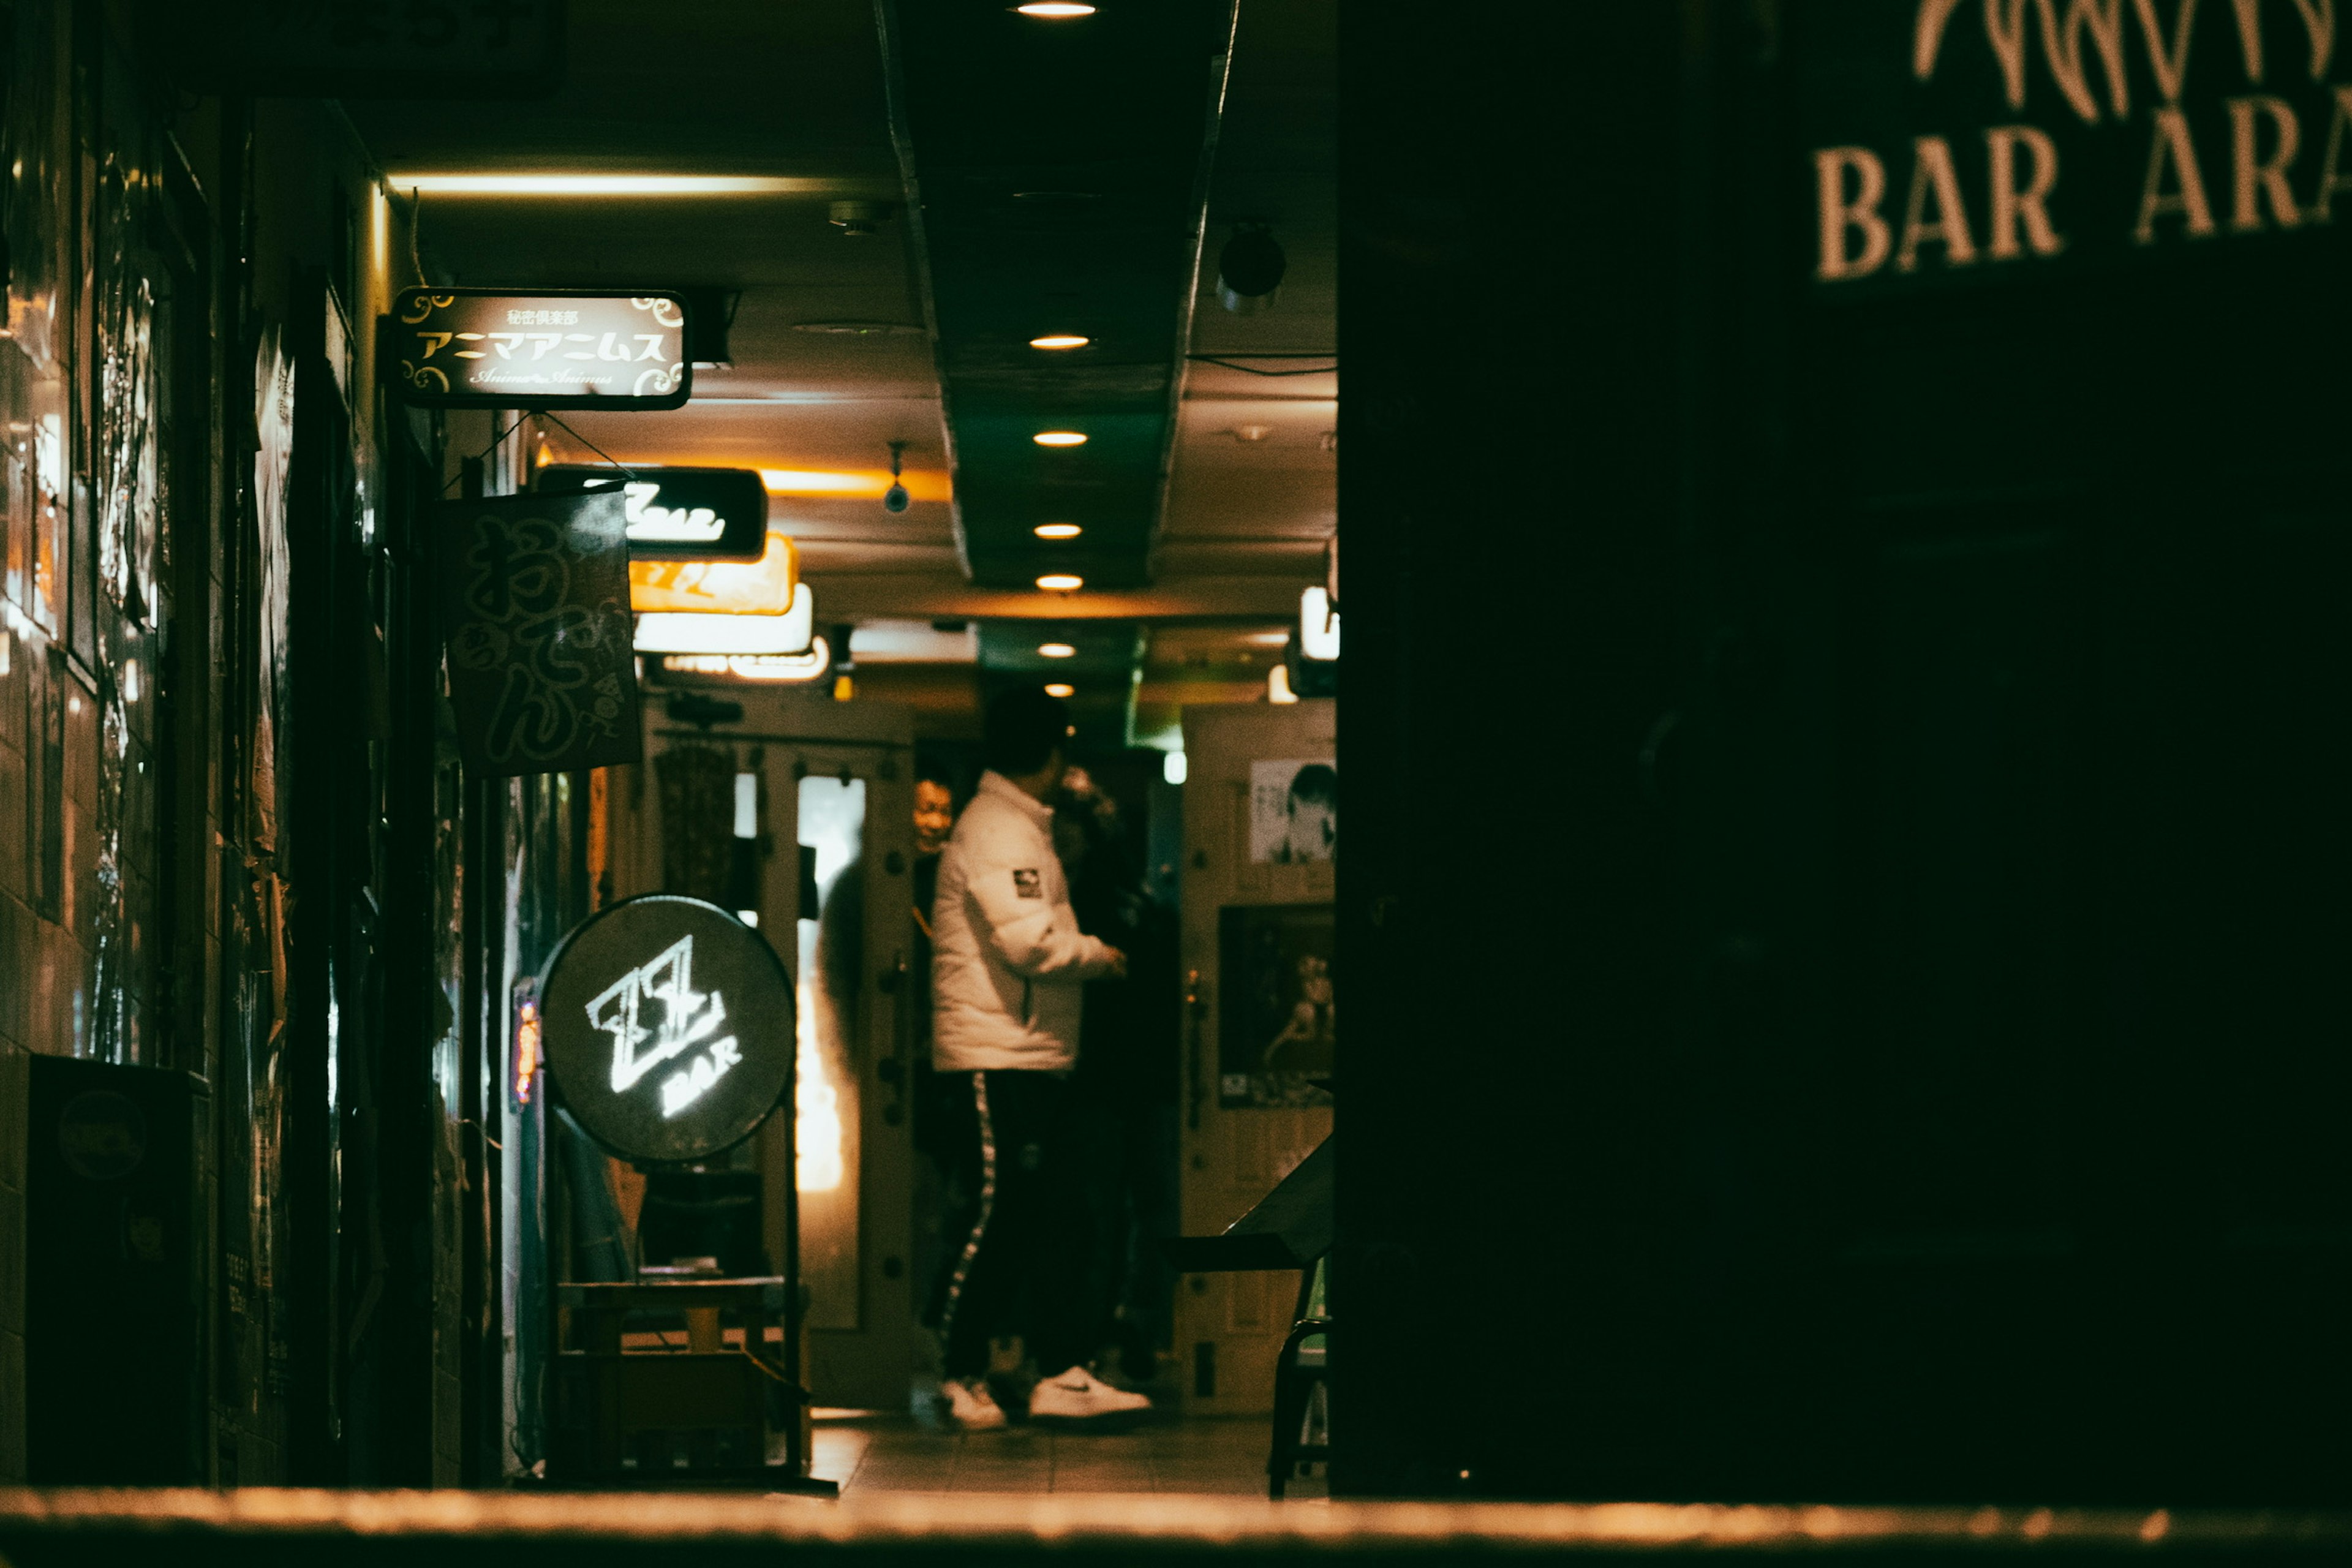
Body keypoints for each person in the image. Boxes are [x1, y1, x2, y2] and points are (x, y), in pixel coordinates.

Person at [929, 690, 1146, 1430]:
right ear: (1053, 755)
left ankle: (1057, 1368)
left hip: (1025, 1053)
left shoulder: (1017, 826)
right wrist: (1104, 957)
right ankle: (960, 1371)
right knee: (998, 1216)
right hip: (998, 1056)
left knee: (1047, 1218)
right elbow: (1030, 944)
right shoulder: (1000, 831)